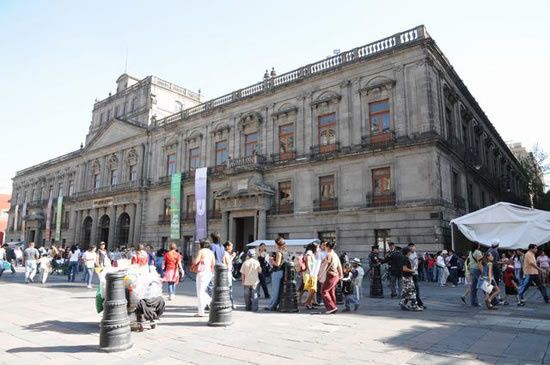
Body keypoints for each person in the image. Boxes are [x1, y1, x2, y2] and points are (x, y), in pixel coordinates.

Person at [319, 241, 343, 314]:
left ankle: (331, 307)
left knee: (324, 291)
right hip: (336, 275)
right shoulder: (335, 254)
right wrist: (341, 274)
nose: (324, 248)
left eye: (325, 246)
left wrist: (320, 275)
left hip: (330, 275)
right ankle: (333, 306)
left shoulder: (328, 255)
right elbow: (339, 265)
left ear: (327, 247)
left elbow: (326, 266)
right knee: (331, 291)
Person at [193, 240, 216, 317]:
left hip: (201, 273)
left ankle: (202, 311)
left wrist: (195, 259)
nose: (199, 245)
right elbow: (213, 264)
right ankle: (211, 304)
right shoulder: (211, 252)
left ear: (202, 244)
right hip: (209, 273)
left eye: (199, 244)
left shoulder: (201, 251)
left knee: (200, 292)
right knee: (202, 291)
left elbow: (196, 261)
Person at [265, 237, 287, 311]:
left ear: (278, 244)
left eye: (275, 243)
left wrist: (271, 260)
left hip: (277, 272)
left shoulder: (279, 252)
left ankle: (271, 306)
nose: (274, 244)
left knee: (275, 290)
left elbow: (277, 264)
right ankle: (273, 305)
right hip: (281, 272)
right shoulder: (284, 251)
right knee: (278, 290)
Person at [399, 247, 422, 311]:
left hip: (405, 277)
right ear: (407, 252)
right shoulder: (405, 259)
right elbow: (404, 268)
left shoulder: (403, 258)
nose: (410, 252)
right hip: (407, 277)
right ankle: (413, 305)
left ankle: (402, 303)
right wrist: (412, 270)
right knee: (412, 291)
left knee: (405, 291)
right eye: (409, 251)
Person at [407, 243, 425, 309]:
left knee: (416, 288)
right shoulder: (407, 254)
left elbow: (417, 261)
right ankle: (417, 303)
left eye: (413, 247)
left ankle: (418, 303)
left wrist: (418, 264)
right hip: (409, 274)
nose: (412, 248)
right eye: (411, 247)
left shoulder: (416, 253)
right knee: (411, 289)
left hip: (415, 273)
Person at [302, 243, 318, 309]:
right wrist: (311, 272)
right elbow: (308, 262)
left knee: (312, 289)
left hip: (312, 273)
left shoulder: (311, 253)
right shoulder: (309, 252)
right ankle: (307, 303)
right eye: (317, 247)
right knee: (312, 289)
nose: (317, 248)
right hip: (309, 273)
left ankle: (309, 304)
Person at [223, 241, 236, 309]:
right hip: (227, 273)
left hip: (228, 273)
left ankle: (230, 302)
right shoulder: (225, 253)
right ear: (227, 246)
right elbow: (227, 264)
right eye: (231, 246)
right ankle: (230, 303)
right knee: (229, 288)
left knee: (228, 289)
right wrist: (232, 257)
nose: (232, 248)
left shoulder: (226, 253)